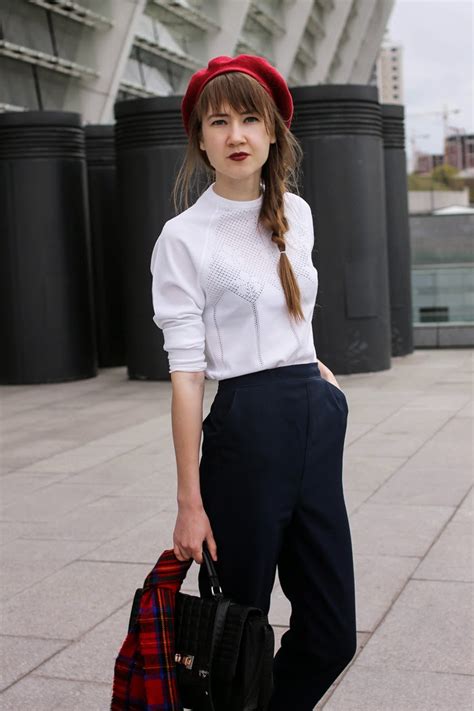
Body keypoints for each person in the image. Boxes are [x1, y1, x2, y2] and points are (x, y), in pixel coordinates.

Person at [150, 54, 357, 711]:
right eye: (220, 120)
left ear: (273, 133)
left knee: (331, 631)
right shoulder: (183, 238)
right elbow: (186, 375)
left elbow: (294, 307)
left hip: (313, 421)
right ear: (201, 138)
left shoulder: (297, 212)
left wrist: (317, 372)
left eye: (249, 118)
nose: (236, 133)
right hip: (246, 429)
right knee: (235, 633)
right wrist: (190, 499)